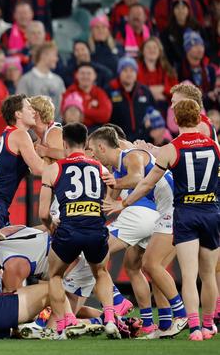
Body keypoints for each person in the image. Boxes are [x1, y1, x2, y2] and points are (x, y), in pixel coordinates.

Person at [104, 99, 219, 341]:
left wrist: (123, 203)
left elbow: (146, 182)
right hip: (210, 210)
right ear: (199, 119)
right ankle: (206, 325)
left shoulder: (171, 148)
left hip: (182, 210)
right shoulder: (214, 146)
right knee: (207, 274)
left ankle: (190, 323)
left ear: (175, 120)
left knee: (175, 271)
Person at [87, 126, 186, 337]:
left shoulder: (132, 156)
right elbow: (109, 201)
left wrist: (120, 195)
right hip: (159, 213)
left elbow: (137, 178)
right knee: (135, 266)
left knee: (97, 252)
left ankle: (181, 314)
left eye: (92, 149)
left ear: (103, 147)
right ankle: (157, 325)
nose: (91, 154)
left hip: (168, 210)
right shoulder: (117, 168)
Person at [39, 122, 121, 339]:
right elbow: (115, 188)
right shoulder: (100, 167)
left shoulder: (53, 169)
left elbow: (43, 213)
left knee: (55, 275)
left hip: (68, 230)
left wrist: (51, 227)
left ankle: (63, 326)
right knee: (101, 273)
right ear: (86, 143)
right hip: (95, 228)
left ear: (64, 143)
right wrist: (105, 207)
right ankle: (110, 320)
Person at [0, 94, 45, 243]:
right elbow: (39, 169)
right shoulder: (20, 134)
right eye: (29, 108)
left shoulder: (8, 133)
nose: (34, 112)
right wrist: (65, 162)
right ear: (18, 114)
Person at [106, 56, 155, 141]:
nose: (129, 74)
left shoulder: (144, 91)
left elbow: (154, 110)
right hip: (117, 139)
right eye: (125, 70)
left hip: (143, 138)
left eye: (132, 70)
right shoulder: (110, 90)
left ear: (136, 73)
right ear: (119, 73)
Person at [16, 42, 66, 119]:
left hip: (54, 128)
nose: (57, 59)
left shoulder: (59, 81)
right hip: (31, 129)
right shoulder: (26, 80)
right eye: (55, 55)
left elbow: (61, 110)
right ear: (44, 55)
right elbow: (20, 107)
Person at [61, 63, 112, 129]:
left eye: (89, 73)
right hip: (74, 130)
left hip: (95, 132)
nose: (85, 76)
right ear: (76, 75)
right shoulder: (70, 92)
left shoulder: (100, 93)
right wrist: (94, 113)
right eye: (82, 73)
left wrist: (80, 111)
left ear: (95, 76)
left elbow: (105, 115)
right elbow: (66, 115)